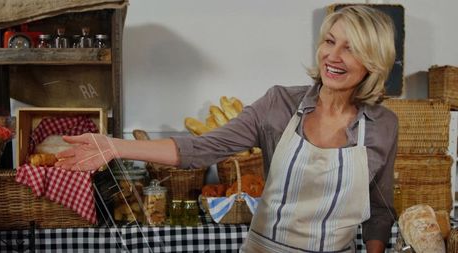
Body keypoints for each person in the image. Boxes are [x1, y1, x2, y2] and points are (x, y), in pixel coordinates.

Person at [56, 5, 398, 253]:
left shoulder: (383, 126)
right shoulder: (278, 105)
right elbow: (200, 149)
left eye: (350, 48)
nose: (332, 56)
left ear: (373, 60)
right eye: (329, 41)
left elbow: (379, 210)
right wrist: (114, 146)